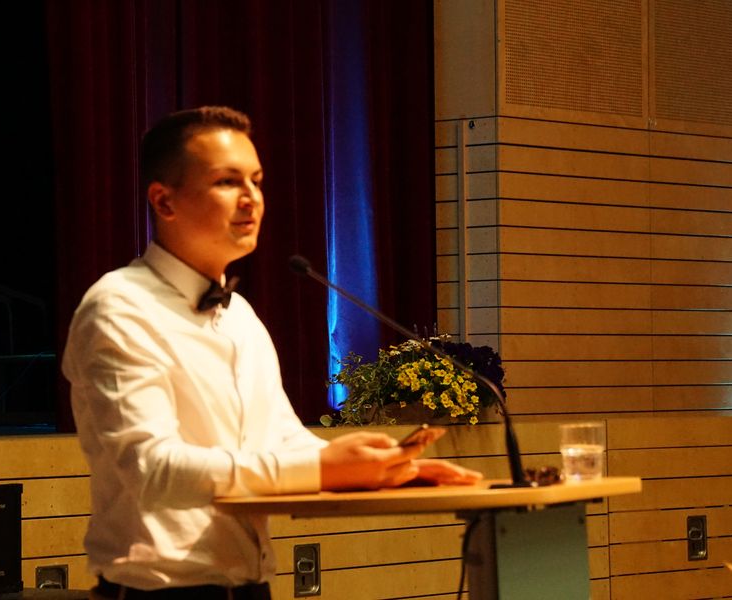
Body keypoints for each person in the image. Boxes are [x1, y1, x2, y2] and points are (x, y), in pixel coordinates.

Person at [62, 106, 482, 600]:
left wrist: (386, 471)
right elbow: (152, 469)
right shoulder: (118, 307)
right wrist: (325, 469)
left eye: (257, 181)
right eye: (227, 181)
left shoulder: (239, 315)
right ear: (164, 200)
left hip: (251, 585)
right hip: (158, 592)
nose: (252, 199)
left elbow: (280, 440)